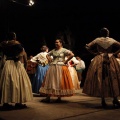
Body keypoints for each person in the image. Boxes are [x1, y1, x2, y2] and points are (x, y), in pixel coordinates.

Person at [82, 27, 120, 108]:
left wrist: (94, 53)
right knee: (113, 77)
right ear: (107, 33)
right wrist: (114, 53)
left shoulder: (97, 40)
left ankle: (104, 100)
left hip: (99, 58)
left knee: (101, 77)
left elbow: (87, 46)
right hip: (110, 58)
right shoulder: (111, 40)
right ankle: (114, 99)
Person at [0, 32, 33, 110]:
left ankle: (6, 102)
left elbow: (3, 53)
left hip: (8, 63)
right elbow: (22, 53)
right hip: (15, 63)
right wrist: (17, 56)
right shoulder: (17, 44)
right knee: (18, 82)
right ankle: (18, 102)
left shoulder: (4, 44)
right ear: (14, 37)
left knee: (7, 82)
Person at [39, 38, 75, 102]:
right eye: (55, 42)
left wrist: (66, 61)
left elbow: (72, 55)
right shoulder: (53, 50)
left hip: (60, 67)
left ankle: (59, 97)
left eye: (57, 42)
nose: (56, 43)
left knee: (59, 81)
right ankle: (48, 97)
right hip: (53, 66)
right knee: (51, 81)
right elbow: (47, 55)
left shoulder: (64, 50)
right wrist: (49, 59)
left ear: (61, 43)